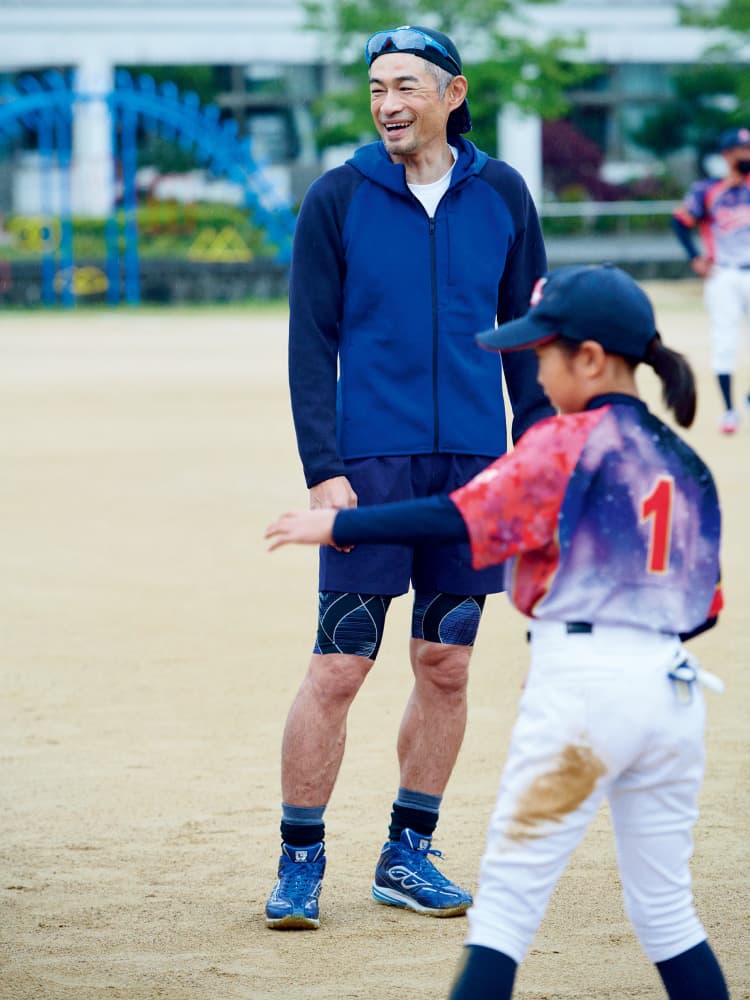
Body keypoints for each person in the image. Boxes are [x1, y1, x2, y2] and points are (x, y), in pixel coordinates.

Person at [265, 264, 729, 1000]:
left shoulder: (565, 443)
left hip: (582, 695)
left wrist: (337, 523)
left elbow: (457, 516)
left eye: (542, 354)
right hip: (673, 699)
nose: (535, 373)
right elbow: (705, 606)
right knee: (670, 917)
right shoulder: (688, 465)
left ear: (590, 358)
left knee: (505, 918)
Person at [264, 24, 553, 930]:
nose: (388, 103)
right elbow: (309, 344)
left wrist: (538, 458)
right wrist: (325, 471)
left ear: (453, 94)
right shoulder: (338, 196)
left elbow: (528, 335)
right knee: (340, 664)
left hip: (475, 472)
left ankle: (408, 851)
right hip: (373, 471)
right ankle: (300, 858)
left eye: (405, 87)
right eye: (377, 87)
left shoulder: (503, 192)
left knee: (448, 663)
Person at [672, 124, 750, 434]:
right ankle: (729, 410)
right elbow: (680, 222)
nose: (746, 155)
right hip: (725, 274)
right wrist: (695, 256)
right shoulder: (708, 190)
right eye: (740, 150)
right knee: (725, 339)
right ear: (726, 155)